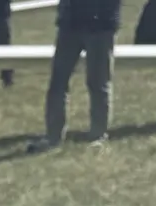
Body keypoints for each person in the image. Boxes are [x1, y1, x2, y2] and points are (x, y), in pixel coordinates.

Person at [29, 0, 122, 151]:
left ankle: (98, 137)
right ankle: (53, 137)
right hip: (70, 23)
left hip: (101, 25)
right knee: (57, 83)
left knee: (98, 83)